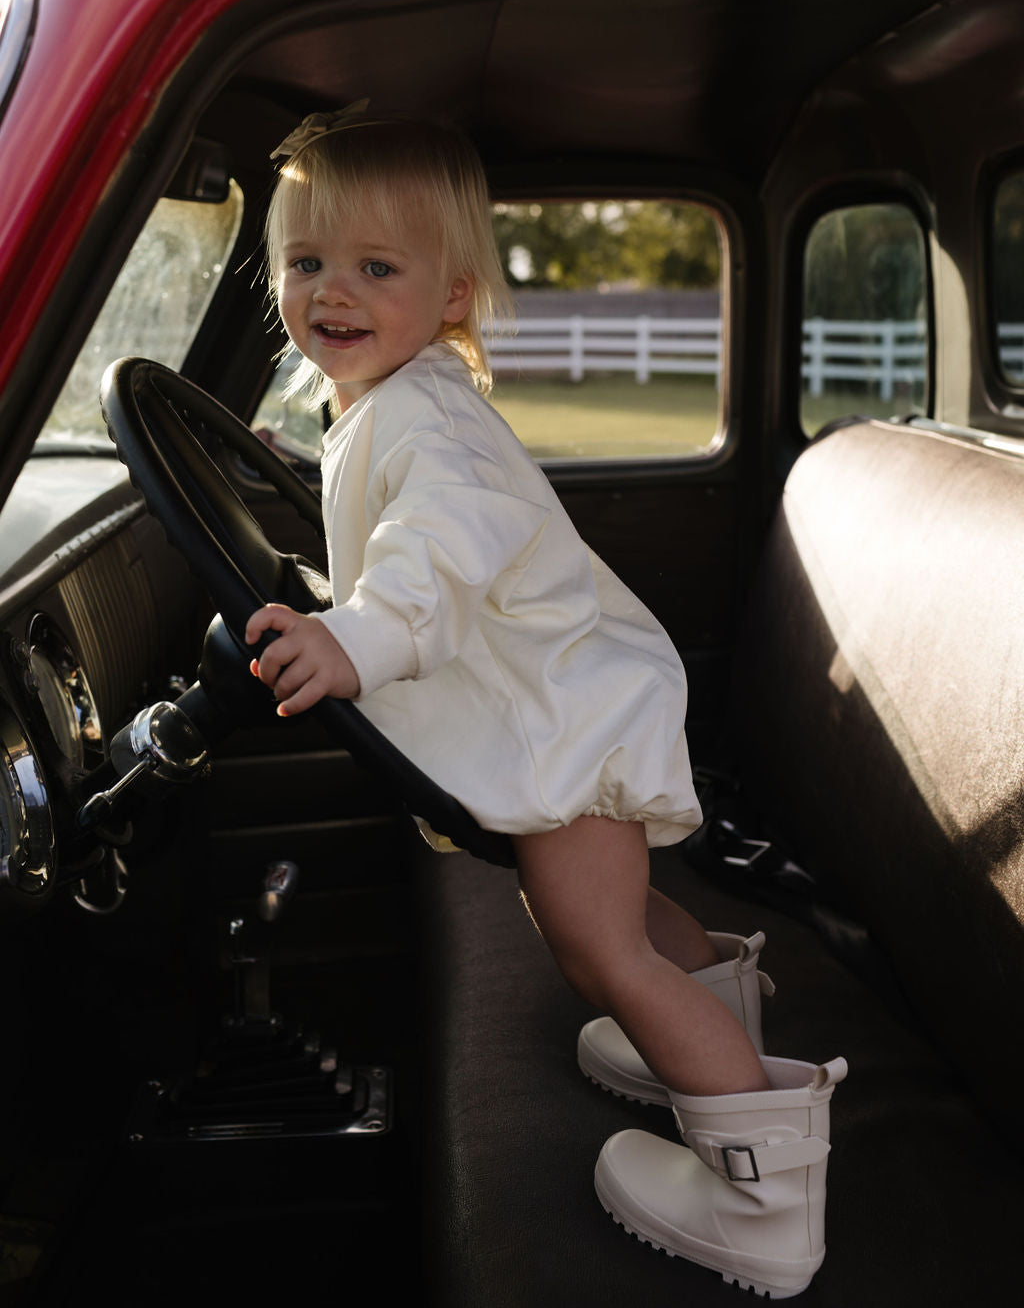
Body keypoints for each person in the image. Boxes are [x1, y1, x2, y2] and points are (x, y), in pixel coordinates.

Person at [244, 103, 845, 1298]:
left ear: (453, 295)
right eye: (306, 262)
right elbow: (395, 553)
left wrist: (356, 635)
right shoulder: (378, 401)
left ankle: (766, 1196)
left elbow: (435, 552)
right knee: (608, 931)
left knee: (597, 945)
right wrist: (337, 600)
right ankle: (714, 1014)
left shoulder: (428, 424)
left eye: (376, 266)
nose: (332, 291)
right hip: (564, 702)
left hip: (564, 719)